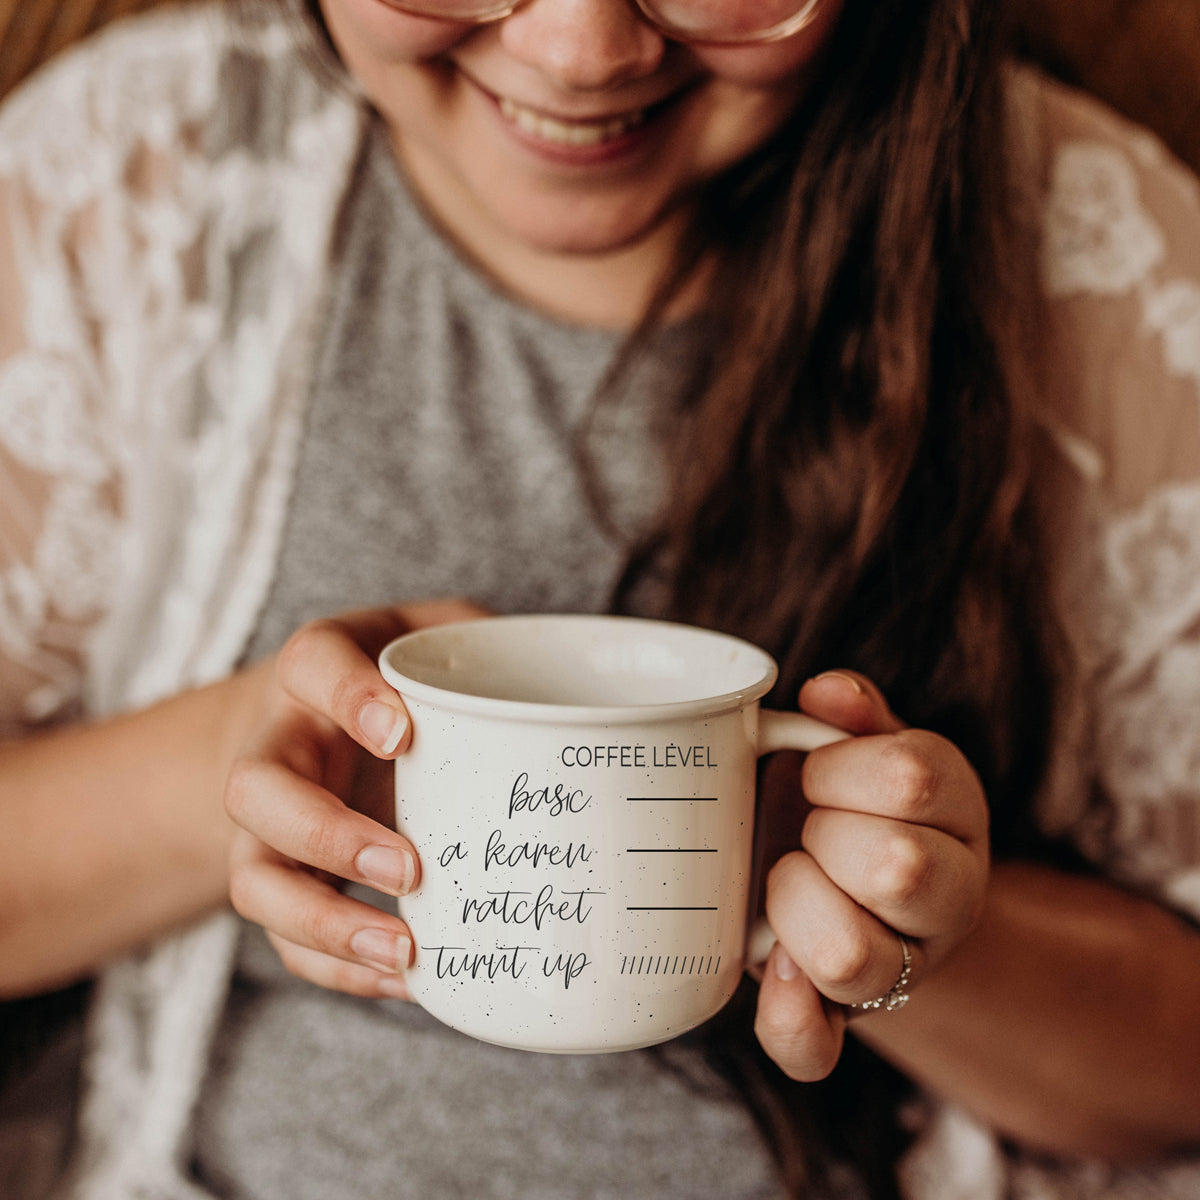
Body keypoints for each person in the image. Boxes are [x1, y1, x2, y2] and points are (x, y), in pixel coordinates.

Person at [0, 0, 1198, 1197]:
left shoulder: (1088, 260)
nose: (577, 53)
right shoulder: (136, 182)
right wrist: (244, 754)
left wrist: (881, 919)